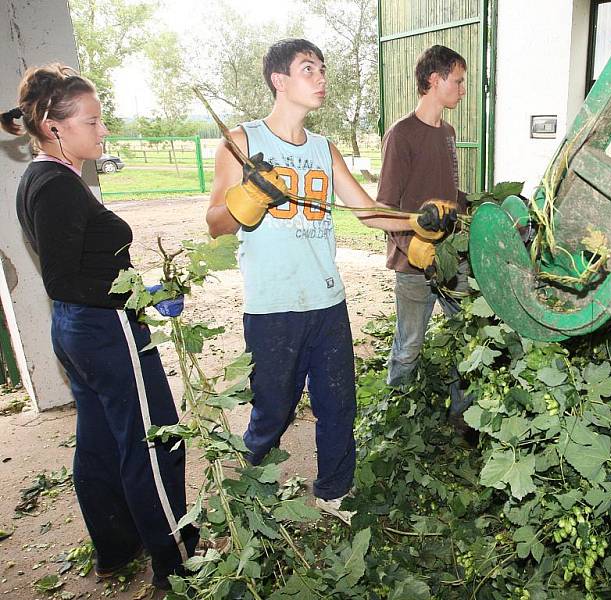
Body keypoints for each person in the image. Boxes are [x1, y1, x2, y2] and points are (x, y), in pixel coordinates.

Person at [206, 38, 456, 525]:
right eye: (308, 69)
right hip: (273, 304)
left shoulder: (323, 148)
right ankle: (248, 495)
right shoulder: (243, 141)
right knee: (272, 411)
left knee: (339, 404)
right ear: (280, 80)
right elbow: (215, 222)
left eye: (322, 68)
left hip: (327, 301)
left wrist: (417, 220)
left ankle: (335, 492)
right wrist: (246, 198)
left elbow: (368, 211)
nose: (320, 78)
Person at [1, 64, 197, 590]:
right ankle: (176, 559)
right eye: (93, 121)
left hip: (77, 332)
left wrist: (134, 283)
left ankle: (116, 544)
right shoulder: (56, 187)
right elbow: (64, 279)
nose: (103, 130)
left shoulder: (48, 178)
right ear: (54, 125)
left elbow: (82, 264)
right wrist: (140, 294)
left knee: (100, 442)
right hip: (106, 331)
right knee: (154, 441)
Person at [377, 45, 472, 422]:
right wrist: (410, 245)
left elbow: (448, 194)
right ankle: (394, 422)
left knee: (467, 339)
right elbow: (385, 206)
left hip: (451, 260)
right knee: (409, 347)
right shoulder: (402, 134)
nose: (463, 89)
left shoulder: (448, 132)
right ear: (435, 80)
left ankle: (462, 421)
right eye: (458, 81)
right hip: (413, 263)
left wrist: (479, 203)